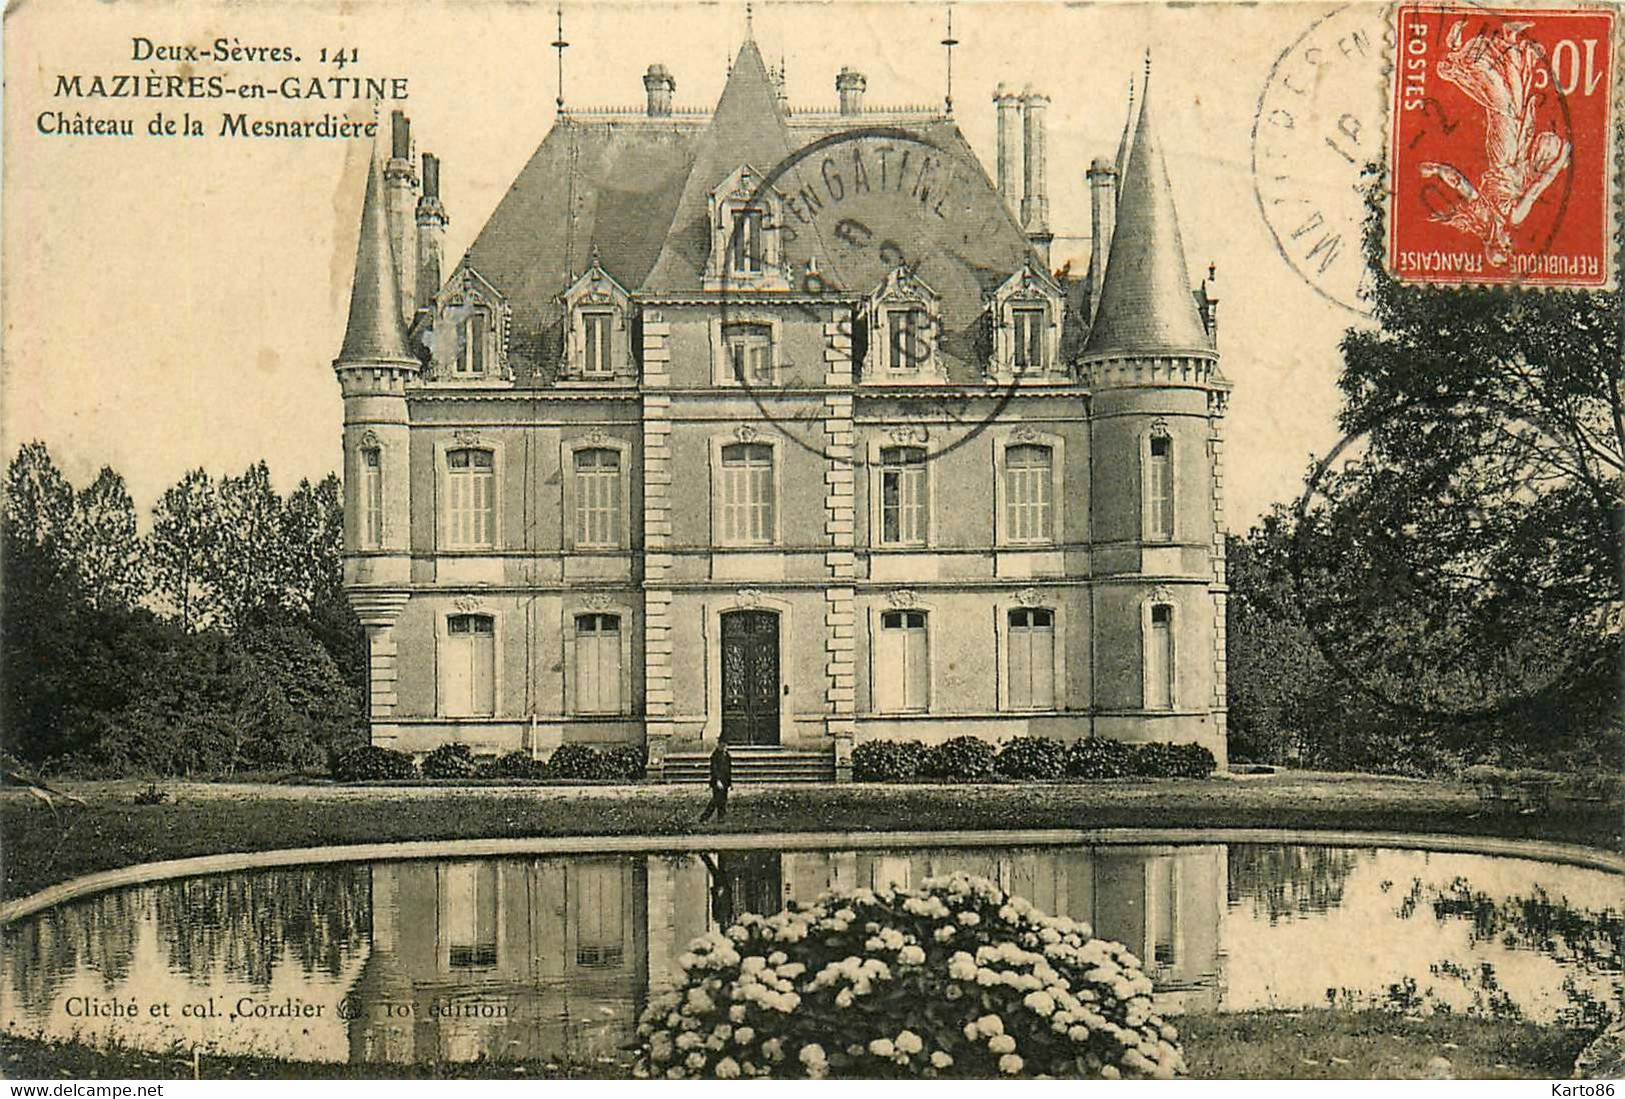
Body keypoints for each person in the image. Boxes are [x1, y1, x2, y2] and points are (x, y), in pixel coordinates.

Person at [698, 740, 733, 824]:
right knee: (715, 800)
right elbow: (714, 770)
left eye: (726, 745)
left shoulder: (727, 756)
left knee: (723, 800)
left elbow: (728, 770)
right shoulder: (715, 756)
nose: (725, 747)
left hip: (724, 781)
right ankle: (704, 817)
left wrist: (729, 783)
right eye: (723, 745)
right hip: (717, 782)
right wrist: (717, 781)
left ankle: (721, 818)